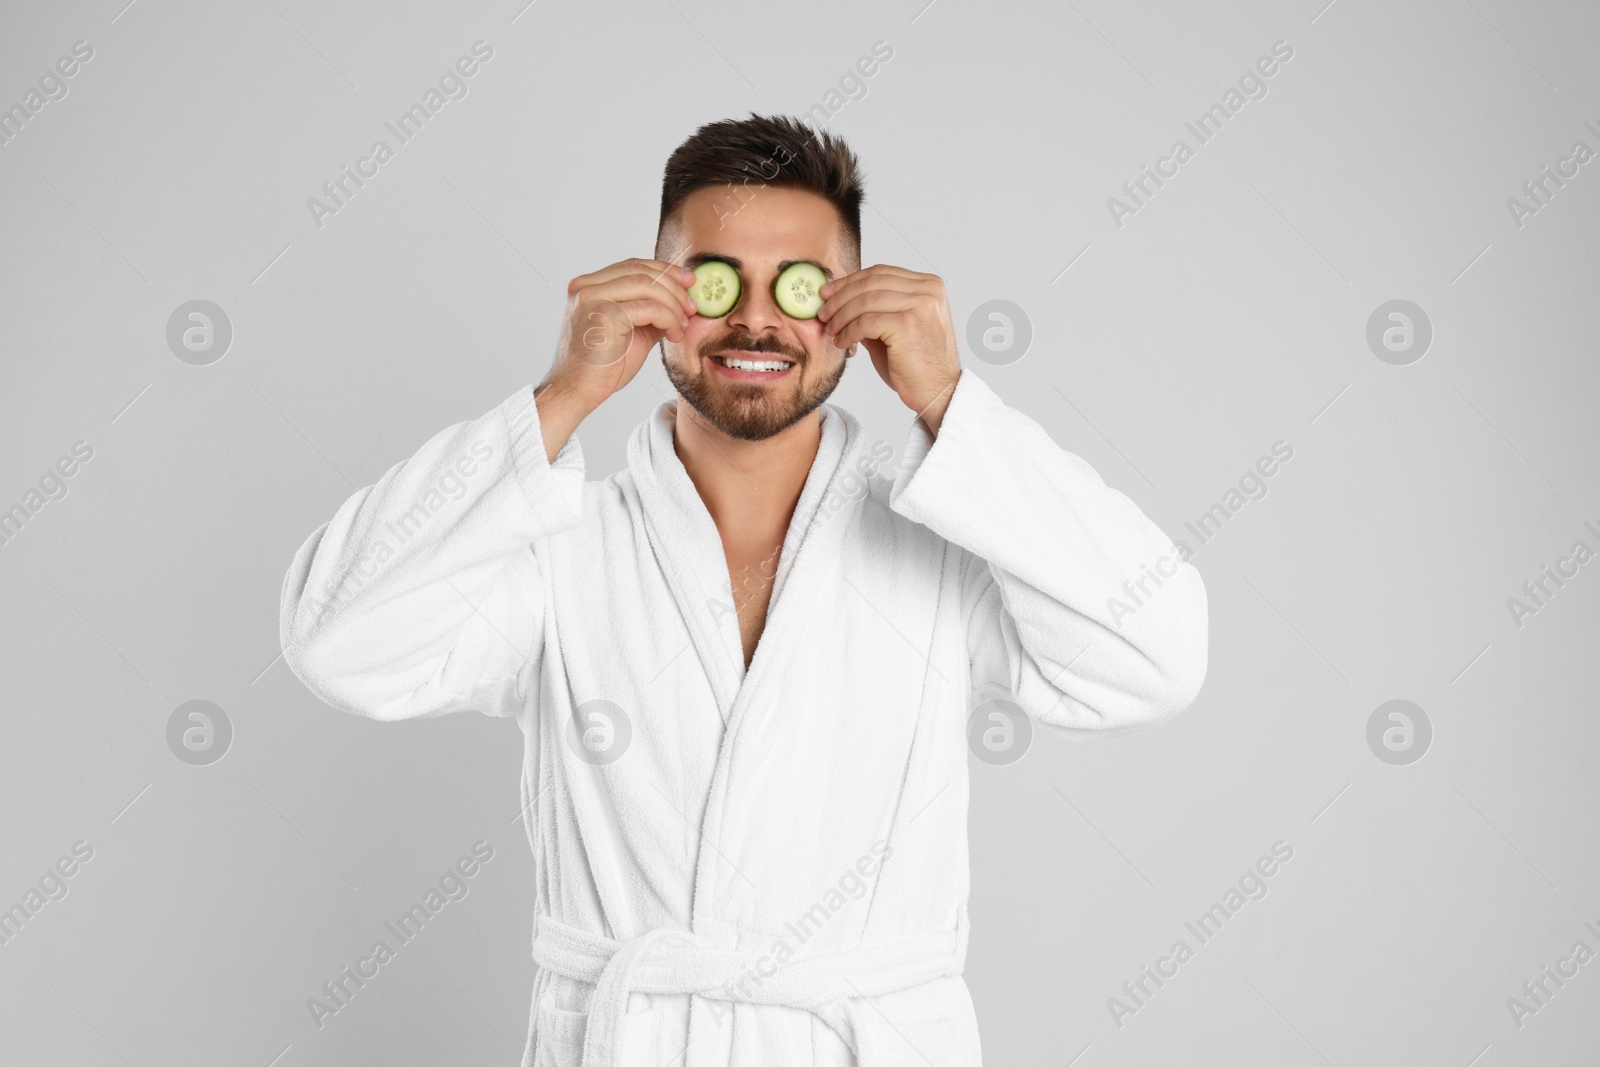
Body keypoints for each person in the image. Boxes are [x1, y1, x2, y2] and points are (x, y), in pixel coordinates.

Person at [278, 113, 1209, 1067]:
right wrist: (560, 398)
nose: (756, 320)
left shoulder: (946, 549)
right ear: (653, 297)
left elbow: (1159, 658)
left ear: (850, 306)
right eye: (715, 281)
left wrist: (954, 405)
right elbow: (334, 640)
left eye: (796, 286)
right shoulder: (561, 553)